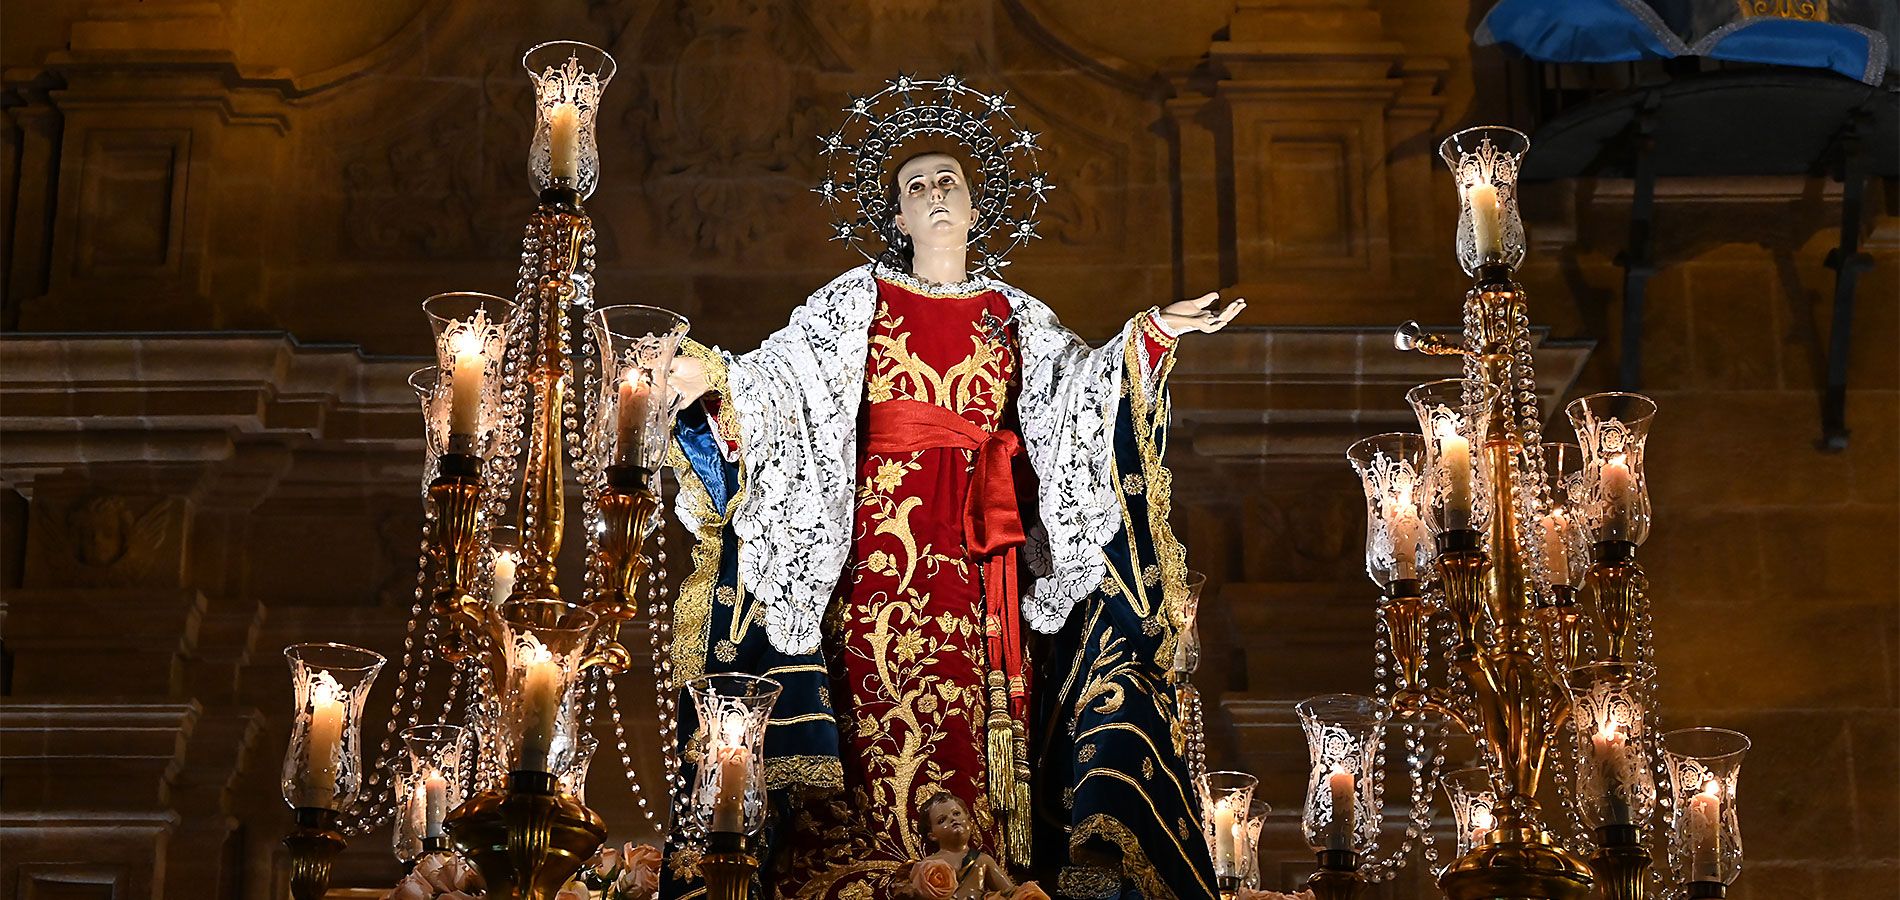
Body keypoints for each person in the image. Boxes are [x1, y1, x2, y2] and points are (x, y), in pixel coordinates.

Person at [660, 78, 1235, 900]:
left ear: (973, 205)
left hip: (979, 556)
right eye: (916, 186)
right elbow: (782, 387)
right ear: (897, 217)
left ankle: (974, 867)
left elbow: (1078, 402)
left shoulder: (1017, 315)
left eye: (948, 182)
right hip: (877, 544)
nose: (934, 194)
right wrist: (708, 380)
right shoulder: (854, 302)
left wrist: (1152, 335)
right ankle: (863, 868)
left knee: (974, 704)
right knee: (871, 690)